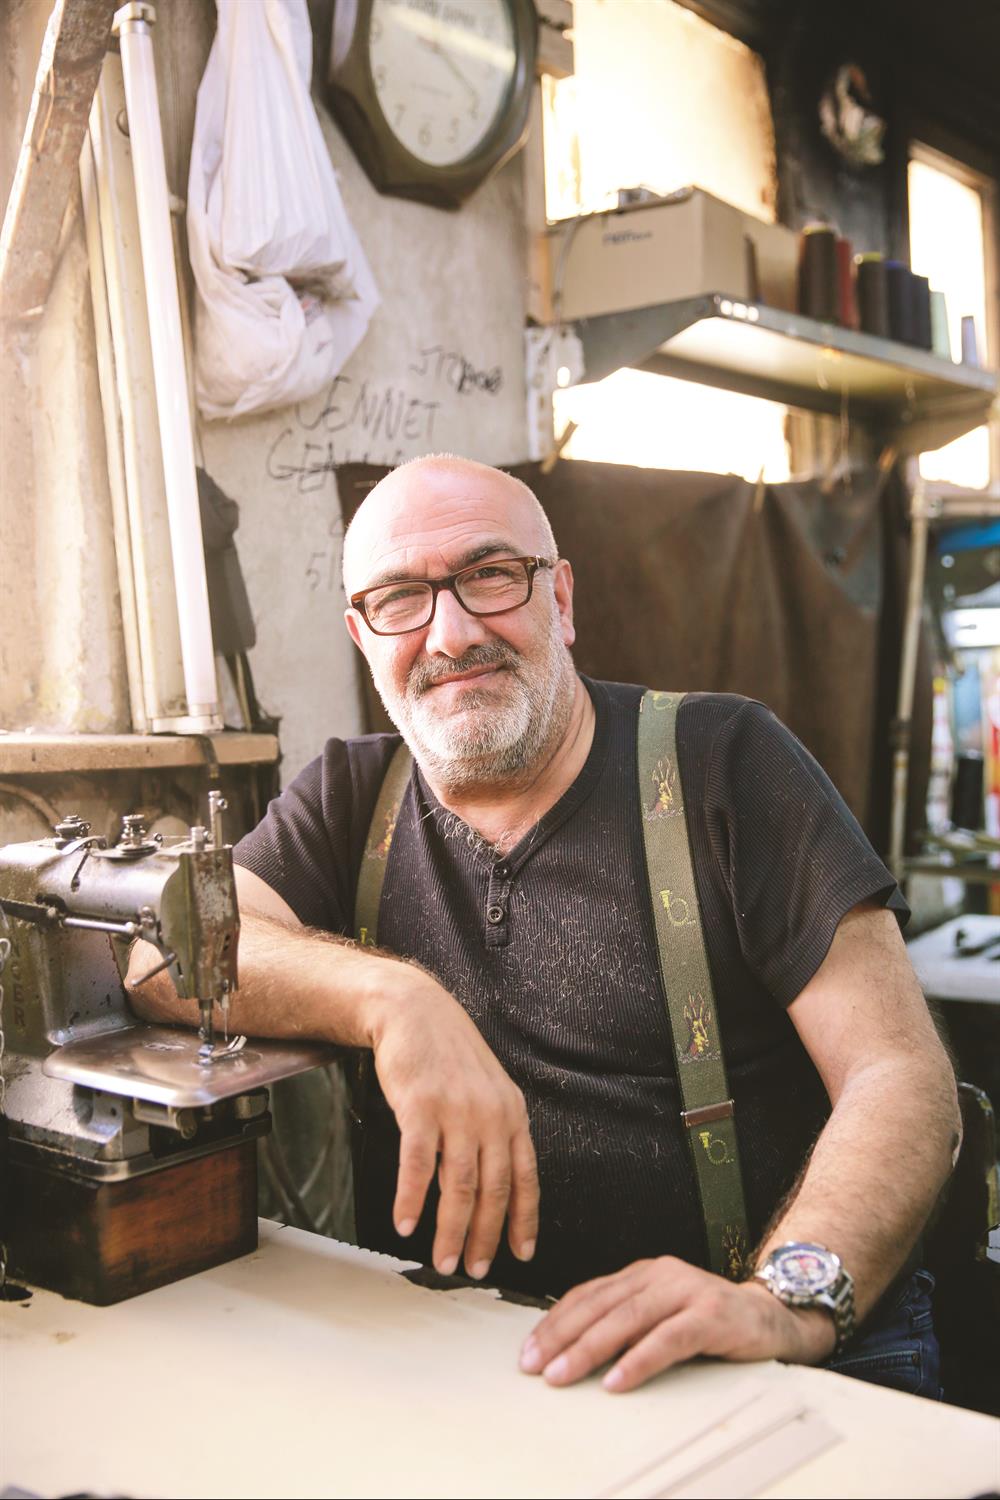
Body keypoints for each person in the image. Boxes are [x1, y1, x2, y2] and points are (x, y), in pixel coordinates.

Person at [129, 454, 959, 1397]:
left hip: (764, 1358)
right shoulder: (349, 800)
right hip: (469, 1361)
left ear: (559, 598)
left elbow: (901, 1074)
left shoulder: (726, 763)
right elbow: (162, 954)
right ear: (363, 636)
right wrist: (389, 997)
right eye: (400, 598)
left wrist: (782, 1302)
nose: (451, 634)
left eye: (490, 575)